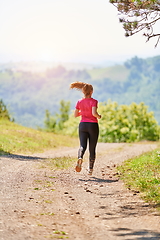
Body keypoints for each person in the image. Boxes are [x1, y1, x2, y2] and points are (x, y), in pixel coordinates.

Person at [70, 81, 101, 175]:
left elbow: (75, 114)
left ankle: (80, 157)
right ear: (91, 91)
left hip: (82, 125)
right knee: (92, 148)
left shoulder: (79, 102)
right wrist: (99, 116)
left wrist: (83, 112)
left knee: (82, 145)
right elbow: (93, 113)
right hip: (92, 125)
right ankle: (90, 169)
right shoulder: (94, 101)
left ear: (83, 92)